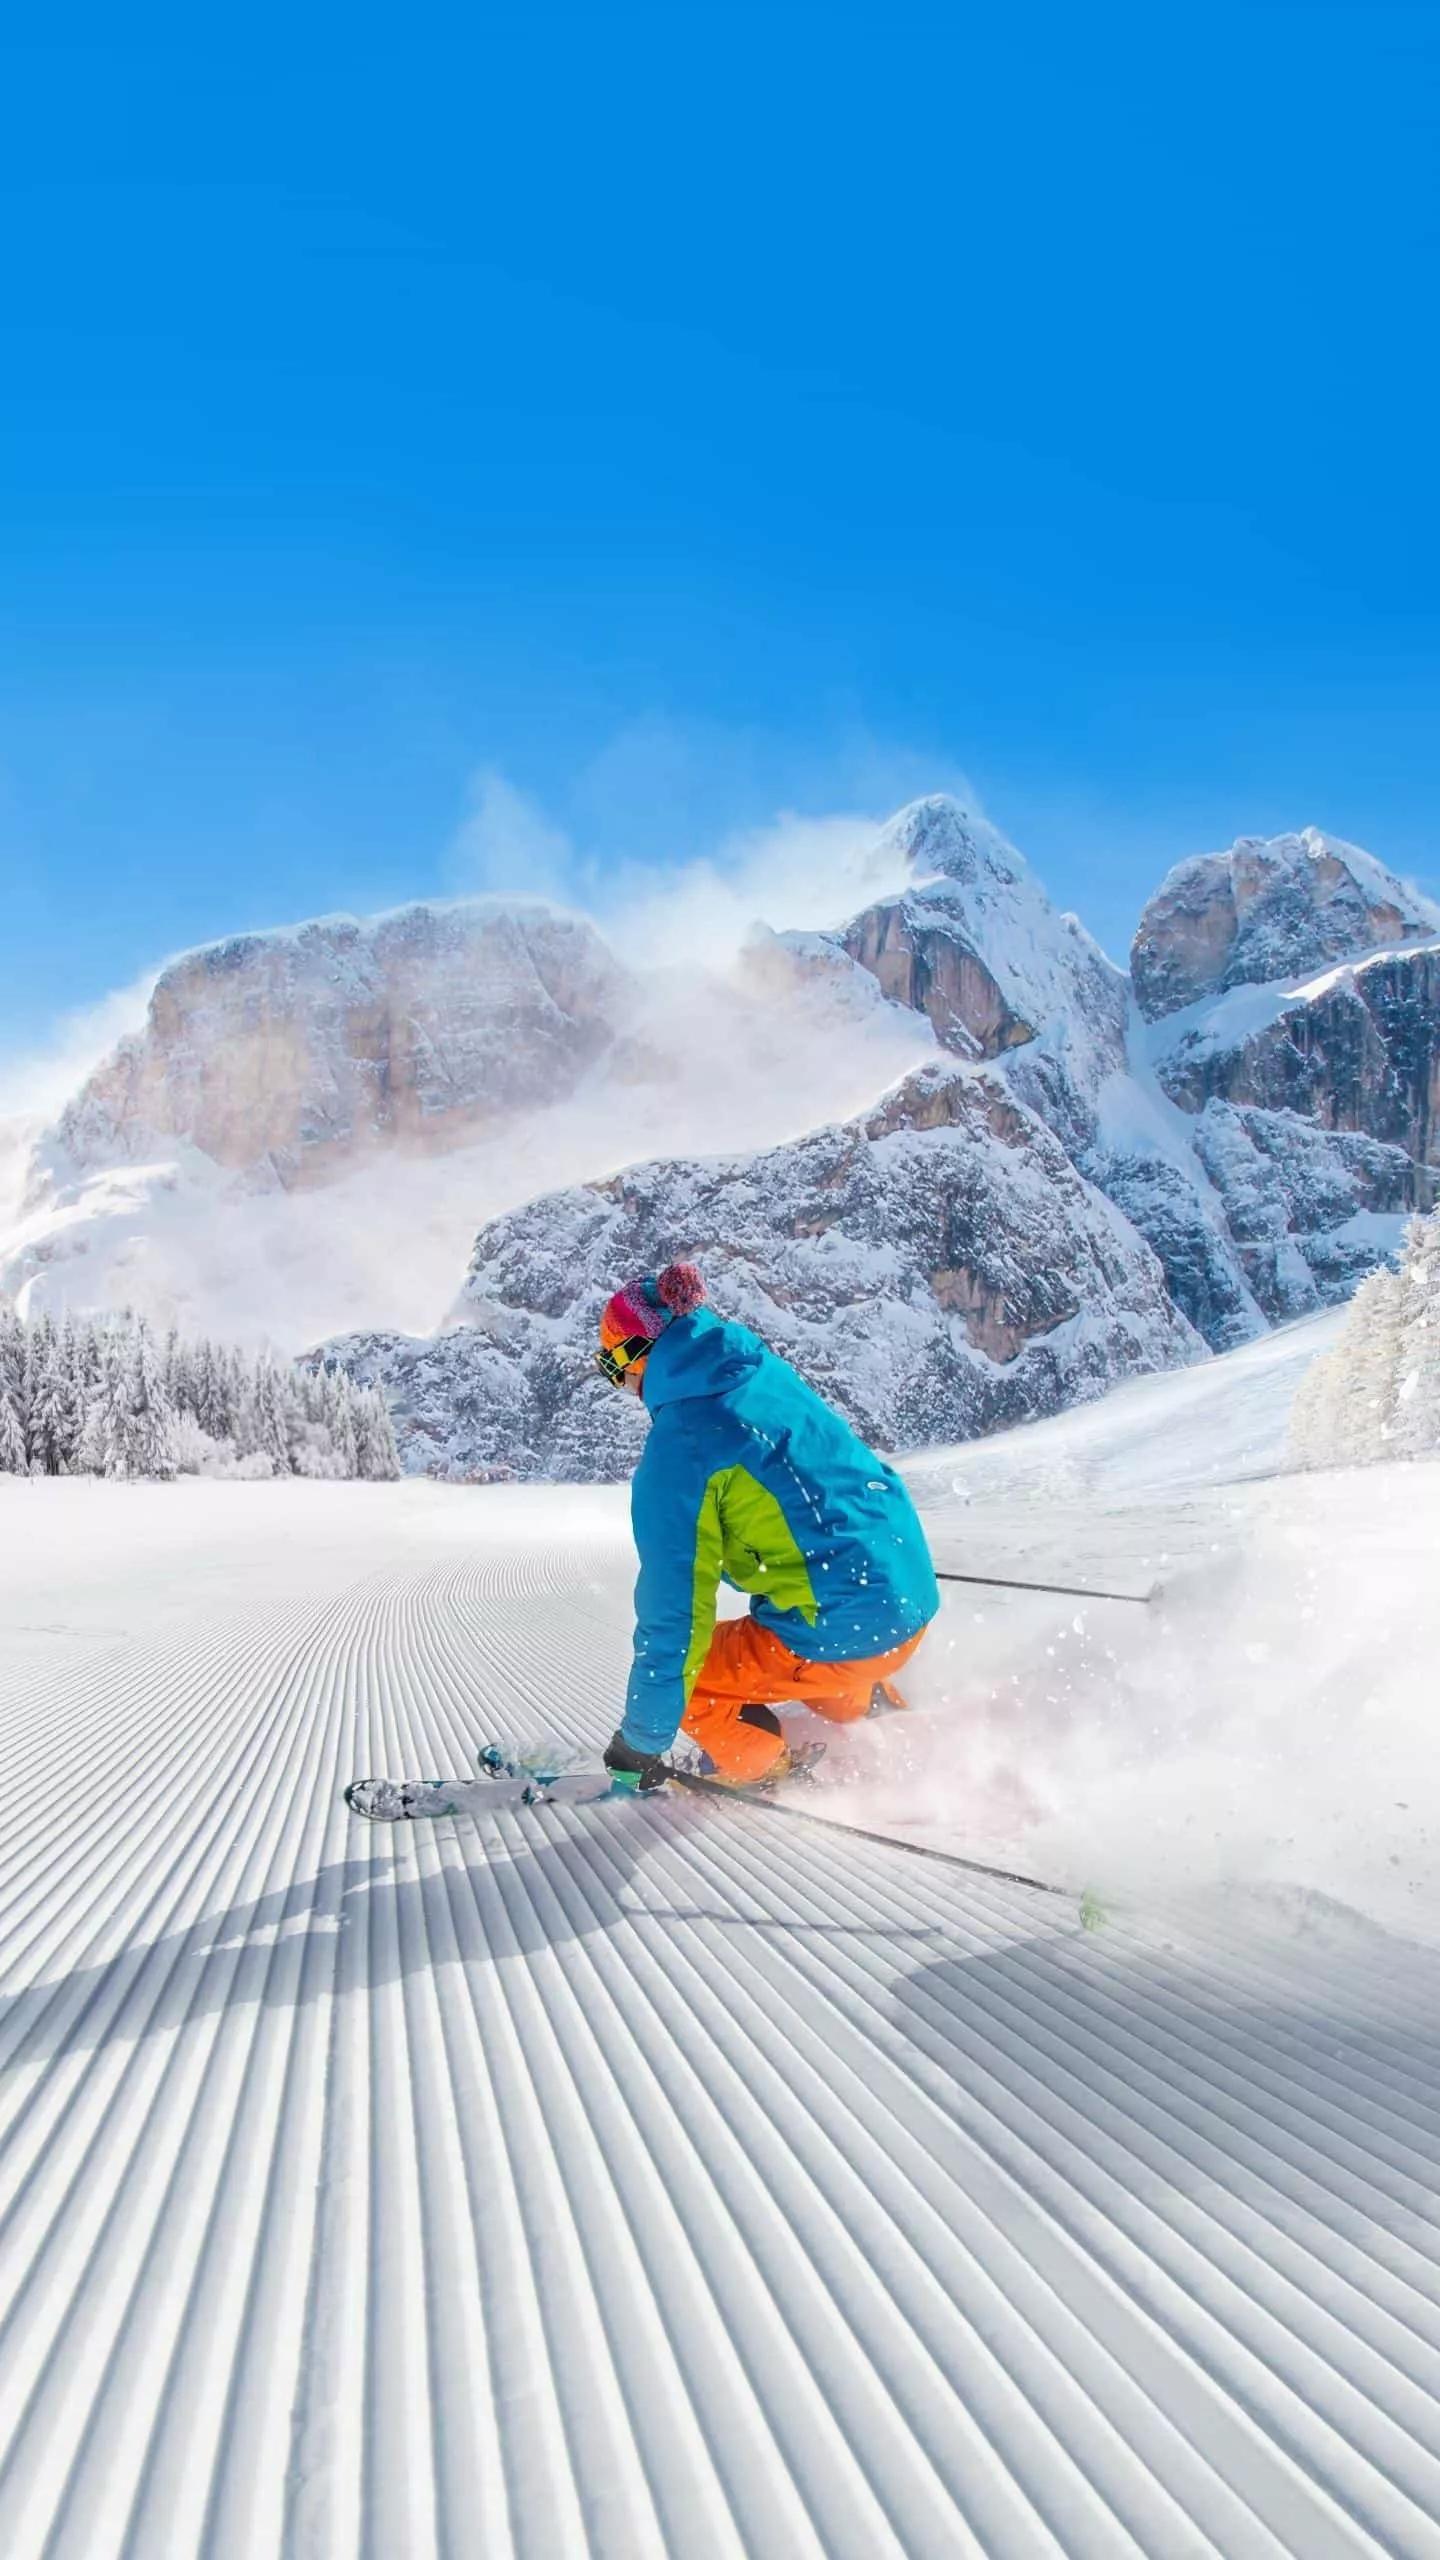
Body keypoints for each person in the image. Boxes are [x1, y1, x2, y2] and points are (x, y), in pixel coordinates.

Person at [597, 1263, 939, 1790]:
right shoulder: (763, 1375)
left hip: (848, 1629)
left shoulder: (682, 1442)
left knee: (697, 1679)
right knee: (802, 1632)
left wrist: (640, 1743)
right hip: (907, 1597)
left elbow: (676, 1616)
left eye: (614, 1366)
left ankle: (766, 1772)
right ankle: (872, 1708)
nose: (624, 1386)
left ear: (637, 1355)